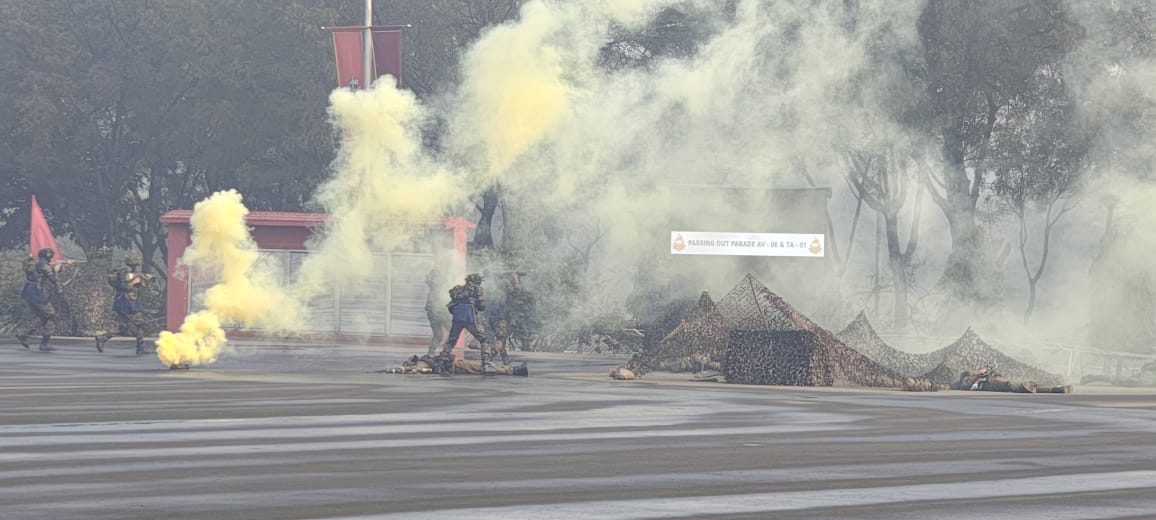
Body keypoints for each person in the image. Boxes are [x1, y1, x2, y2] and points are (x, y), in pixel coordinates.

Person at [94, 254, 153, 355]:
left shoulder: (127, 274)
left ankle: (103, 338)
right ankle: (140, 348)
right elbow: (127, 286)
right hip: (126, 303)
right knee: (139, 324)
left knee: (124, 328)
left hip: (124, 302)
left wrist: (145, 279)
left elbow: (139, 286)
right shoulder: (125, 275)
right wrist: (136, 280)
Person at [438, 273, 491, 364]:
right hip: (470, 317)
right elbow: (482, 306)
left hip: (457, 318)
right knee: (484, 339)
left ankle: (442, 360)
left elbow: (450, 307)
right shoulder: (477, 289)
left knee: (451, 340)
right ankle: (486, 362)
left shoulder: (458, 289)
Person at [17, 248, 64, 351]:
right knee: (51, 315)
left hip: (28, 293)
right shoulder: (45, 266)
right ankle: (39, 341)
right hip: (38, 294)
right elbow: (53, 280)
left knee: (43, 317)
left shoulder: (36, 265)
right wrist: (56, 269)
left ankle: (26, 334)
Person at [387, 354, 528, 376]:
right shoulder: (421, 363)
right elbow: (418, 369)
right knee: (486, 368)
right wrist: (405, 368)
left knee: (486, 366)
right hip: (458, 366)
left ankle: (514, 370)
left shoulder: (424, 361)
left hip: (458, 364)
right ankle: (515, 371)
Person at [424, 268, 451, 356]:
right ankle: (445, 352)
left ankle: (431, 352)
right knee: (452, 331)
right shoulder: (438, 287)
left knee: (438, 335)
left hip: (433, 313)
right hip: (439, 312)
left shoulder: (432, 286)